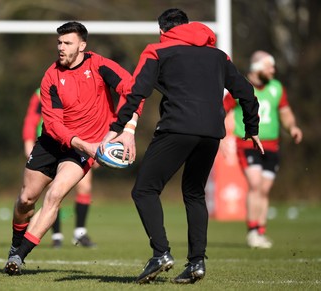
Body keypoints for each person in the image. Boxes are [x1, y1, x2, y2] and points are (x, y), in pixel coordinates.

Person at [100, 8, 263, 284]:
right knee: (194, 193)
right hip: (212, 133)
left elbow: (136, 91)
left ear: (163, 31)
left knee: (144, 190)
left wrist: (117, 128)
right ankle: (197, 263)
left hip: (177, 127)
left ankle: (161, 253)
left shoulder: (157, 50)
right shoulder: (218, 56)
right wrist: (252, 128)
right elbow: (246, 92)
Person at [4, 21, 140, 275]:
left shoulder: (100, 66)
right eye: (59, 43)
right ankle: (15, 245)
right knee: (26, 200)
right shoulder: (51, 77)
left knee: (55, 195)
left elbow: (133, 90)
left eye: (67, 43)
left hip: (80, 151)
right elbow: (53, 124)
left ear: (82, 45)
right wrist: (84, 145)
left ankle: (18, 257)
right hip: (54, 142)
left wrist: (128, 130)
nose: (61, 48)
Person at [223, 50, 303, 249]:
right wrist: (222, 135)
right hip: (248, 144)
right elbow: (221, 109)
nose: (273, 71)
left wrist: (292, 127)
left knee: (264, 190)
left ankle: (260, 230)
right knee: (256, 184)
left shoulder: (276, 88)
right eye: (269, 67)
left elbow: (285, 112)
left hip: (271, 146)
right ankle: (252, 231)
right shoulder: (241, 87)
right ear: (257, 69)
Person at [22, 88, 96, 248]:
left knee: (85, 186)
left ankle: (80, 234)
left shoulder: (80, 88)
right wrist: (28, 141)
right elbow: (31, 118)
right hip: (51, 146)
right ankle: (56, 236)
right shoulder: (41, 92)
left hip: (76, 144)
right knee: (54, 191)